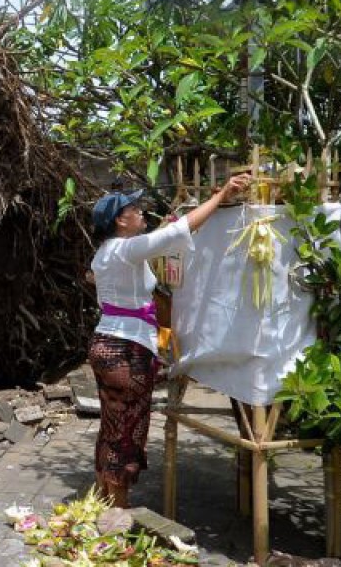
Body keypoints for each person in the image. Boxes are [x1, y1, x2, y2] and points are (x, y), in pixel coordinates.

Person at [86, 173, 252, 507]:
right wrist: (221, 198)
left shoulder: (105, 252)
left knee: (111, 425)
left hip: (105, 343)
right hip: (126, 352)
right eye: (136, 209)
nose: (142, 213)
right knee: (127, 429)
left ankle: (101, 501)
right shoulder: (127, 250)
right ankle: (117, 513)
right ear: (121, 220)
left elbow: (166, 233)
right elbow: (178, 231)